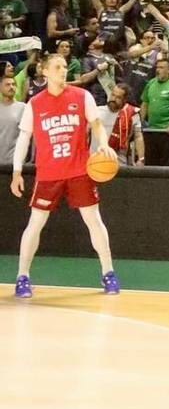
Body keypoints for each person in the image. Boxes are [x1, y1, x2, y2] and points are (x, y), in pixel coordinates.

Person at [10, 47, 119, 297]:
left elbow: (97, 125)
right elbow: (24, 139)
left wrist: (103, 144)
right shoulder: (35, 104)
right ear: (45, 71)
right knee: (35, 224)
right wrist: (17, 172)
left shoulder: (81, 96)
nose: (63, 70)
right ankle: (22, 277)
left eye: (64, 66)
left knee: (94, 220)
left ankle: (108, 273)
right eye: (57, 67)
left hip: (79, 170)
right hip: (48, 173)